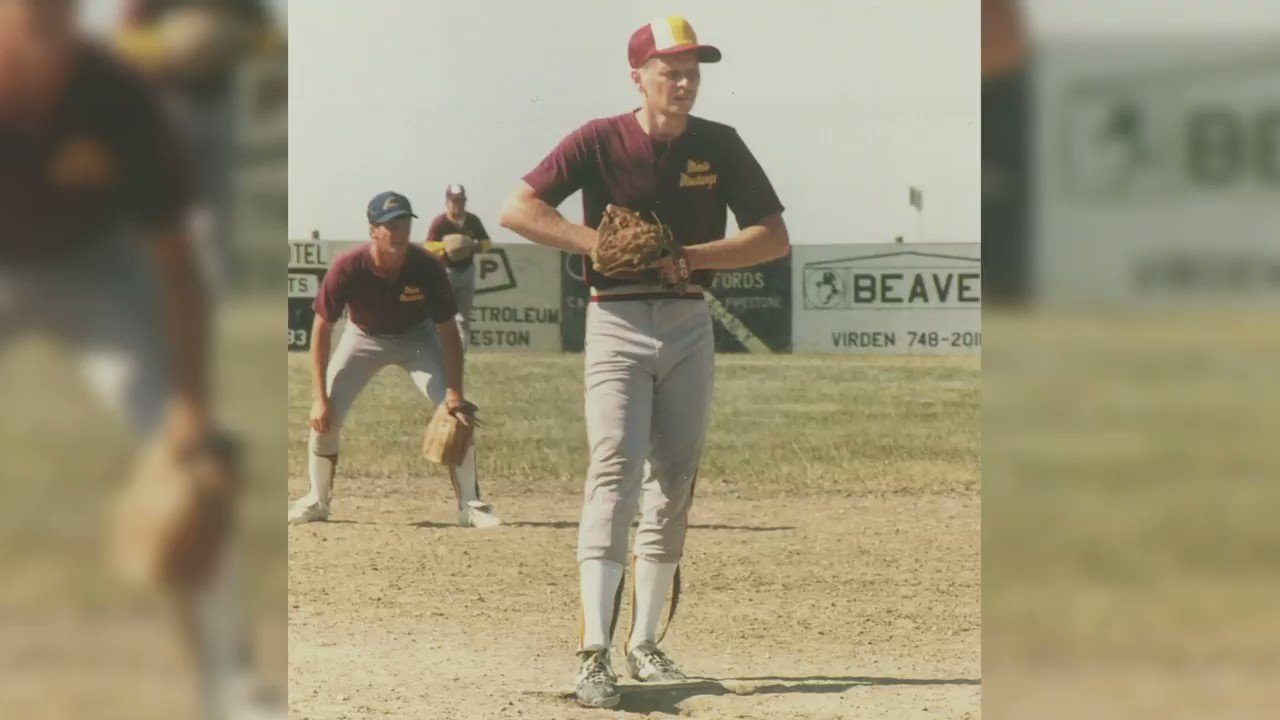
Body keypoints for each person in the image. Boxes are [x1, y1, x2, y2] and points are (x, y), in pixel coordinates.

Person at [499, 15, 789, 709]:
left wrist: (690, 256)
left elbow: (773, 237)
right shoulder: (599, 139)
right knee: (614, 471)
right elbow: (518, 209)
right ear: (639, 76)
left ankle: (646, 643)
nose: (684, 82)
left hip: (688, 318)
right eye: (670, 70)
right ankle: (593, 652)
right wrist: (594, 243)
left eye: (692, 71)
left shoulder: (718, 144)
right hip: (617, 319)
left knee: (674, 479)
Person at [0, 1, 278, 717]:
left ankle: (231, 682)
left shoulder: (115, 96)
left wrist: (191, 407)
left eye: (54, 14)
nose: (41, 30)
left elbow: (178, 263)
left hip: (96, 269)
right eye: (25, 16)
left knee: (196, 461)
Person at [287, 191, 502, 529]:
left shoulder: (427, 266)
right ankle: (317, 499)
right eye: (390, 225)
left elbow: (448, 332)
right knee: (327, 416)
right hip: (363, 338)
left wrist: (454, 392)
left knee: (457, 413)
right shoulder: (348, 266)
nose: (399, 231)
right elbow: (321, 330)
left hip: (417, 338)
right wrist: (319, 398)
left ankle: (470, 504)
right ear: (373, 230)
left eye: (404, 222)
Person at [424, 184, 492, 348]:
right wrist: (447, 247)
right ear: (447, 202)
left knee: (464, 317)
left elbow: (487, 243)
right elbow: (428, 245)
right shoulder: (440, 222)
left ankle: (461, 353)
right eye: (454, 201)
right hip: (446, 272)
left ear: (465, 201)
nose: (457, 204)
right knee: (443, 314)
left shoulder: (472, 220)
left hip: (467, 270)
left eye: (460, 200)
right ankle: (438, 351)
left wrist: (471, 247)